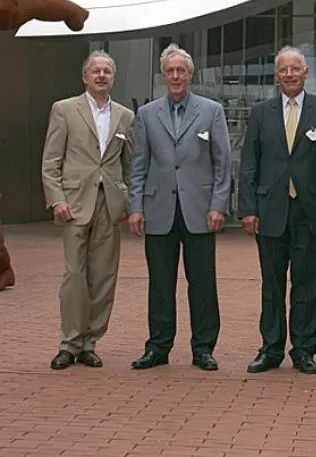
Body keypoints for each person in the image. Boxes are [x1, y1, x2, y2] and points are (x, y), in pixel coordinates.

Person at [238, 46, 316, 375]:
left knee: (308, 283)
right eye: (283, 70)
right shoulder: (260, 113)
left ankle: (304, 349)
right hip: (270, 211)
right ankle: (271, 349)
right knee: (272, 284)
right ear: (276, 75)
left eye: (295, 69)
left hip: (310, 212)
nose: (289, 74)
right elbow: (249, 164)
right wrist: (247, 209)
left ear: (305, 72)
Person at [128, 43, 231, 371]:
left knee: (202, 283)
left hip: (200, 209)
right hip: (158, 209)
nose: (176, 76)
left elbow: (222, 163)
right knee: (160, 283)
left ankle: (203, 348)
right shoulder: (146, 114)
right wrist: (135, 206)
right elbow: (139, 163)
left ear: (191, 74)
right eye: (170, 70)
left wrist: (218, 205)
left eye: (181, 70)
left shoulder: (211, 110)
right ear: (163, 74)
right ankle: (158, 346)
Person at [41, 51, 134, 369]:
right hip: (74, 205)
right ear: (85, 77)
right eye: (96, 71)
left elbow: (130, 164)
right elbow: (51, 160)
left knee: (104, 277)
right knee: (75, 276)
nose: (101, 75)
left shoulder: (124, 116)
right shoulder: (65, 110)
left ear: (113, 77)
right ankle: (69, 342)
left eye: (107, 71)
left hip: (109, 206)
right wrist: (57, 199)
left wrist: (130, 203)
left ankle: (89, 343)